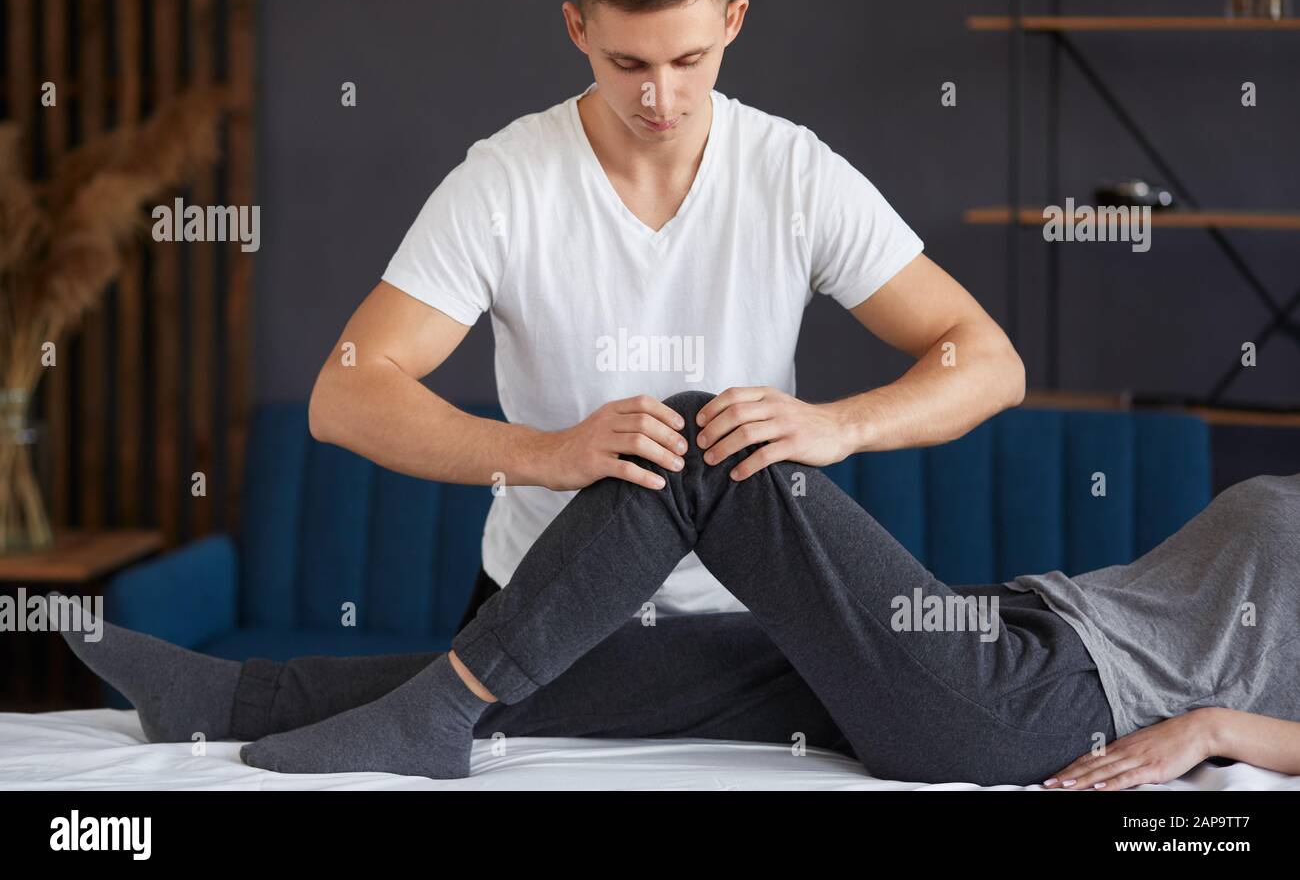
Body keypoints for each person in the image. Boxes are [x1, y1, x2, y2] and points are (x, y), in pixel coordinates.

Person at [306, 0, 1027, 635]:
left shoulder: (795, 175)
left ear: (732, 20)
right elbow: (345, 393)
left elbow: (990, 363)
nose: (660, 98)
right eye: (628, 64)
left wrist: (841, 425)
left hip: (750, 610)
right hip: (542, 600)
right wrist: (547, 454)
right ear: (577, 28)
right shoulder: (503, 183)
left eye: (689, 59)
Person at [57, 391, 1300, 788]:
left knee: (707, 436)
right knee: (629, 663)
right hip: (1015, 634)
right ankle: (235, 693)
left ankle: (429, 719)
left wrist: (1219, 729)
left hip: (1040, 705)